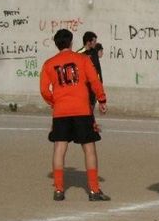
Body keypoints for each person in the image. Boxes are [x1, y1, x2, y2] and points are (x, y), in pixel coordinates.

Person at [39, 28, 109, 201]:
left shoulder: (49, 63)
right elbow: (94, 80)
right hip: (82, 110)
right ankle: (94, 190)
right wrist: (101, 99)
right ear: (71, 42)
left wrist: (54, 102)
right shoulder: (83, 59)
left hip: (61, 111)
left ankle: (58, 189)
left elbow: (44, 90)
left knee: (59, 148)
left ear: (56, 44)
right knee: (89, 149)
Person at [77, 31, 104, 118]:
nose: (95, 43)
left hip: (94, 85)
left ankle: (90, 122)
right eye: (94, 41)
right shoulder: (79, 54)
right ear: (88, 42)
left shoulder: (94, 52)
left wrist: (100, 82)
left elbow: (97, 68)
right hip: (84, 86)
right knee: (84, 107)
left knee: (91, 106)